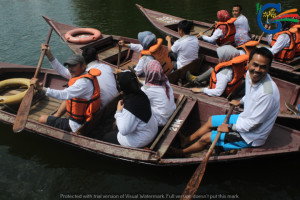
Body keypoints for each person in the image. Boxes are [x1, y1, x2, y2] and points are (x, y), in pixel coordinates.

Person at [171, 47, 280, 155]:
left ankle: (180, 152)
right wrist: (242, 101)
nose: (257, 70)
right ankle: (187, 140)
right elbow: (251, 93)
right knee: (211, 120)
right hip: (245, 119)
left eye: (263, 67)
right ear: (248, 63)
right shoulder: (249, 75)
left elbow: (253, 124)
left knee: (207, 138)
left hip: (251, 135)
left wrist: (230, 127)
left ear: (268, 68)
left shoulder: (267, 94)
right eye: (255, 65)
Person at [30, 53, 101, 133]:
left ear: (83, 65)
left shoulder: (83, 82)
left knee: (42, 119)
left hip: (77, 125)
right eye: (69, 66)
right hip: (85, 118)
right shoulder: (83, 74)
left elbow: (62, 94)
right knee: (69, 99)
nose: (70, 68)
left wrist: (41, 88)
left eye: (73, 65)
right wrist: (49, 55)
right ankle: (57, 116)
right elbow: (61, 70)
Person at [101, 71, 158, 148]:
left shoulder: (131, 106)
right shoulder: (141, 94)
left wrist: (118, 112)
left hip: (143, 139)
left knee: (106, 137)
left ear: (123, 87)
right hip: (152, 130)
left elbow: (124, 131)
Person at [142, 60, 176, 126]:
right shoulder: (165, 80)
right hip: (172, 111)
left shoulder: (146, 89)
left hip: (162, 120)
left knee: (140, 105)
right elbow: (153, 86)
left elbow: (148, 87)